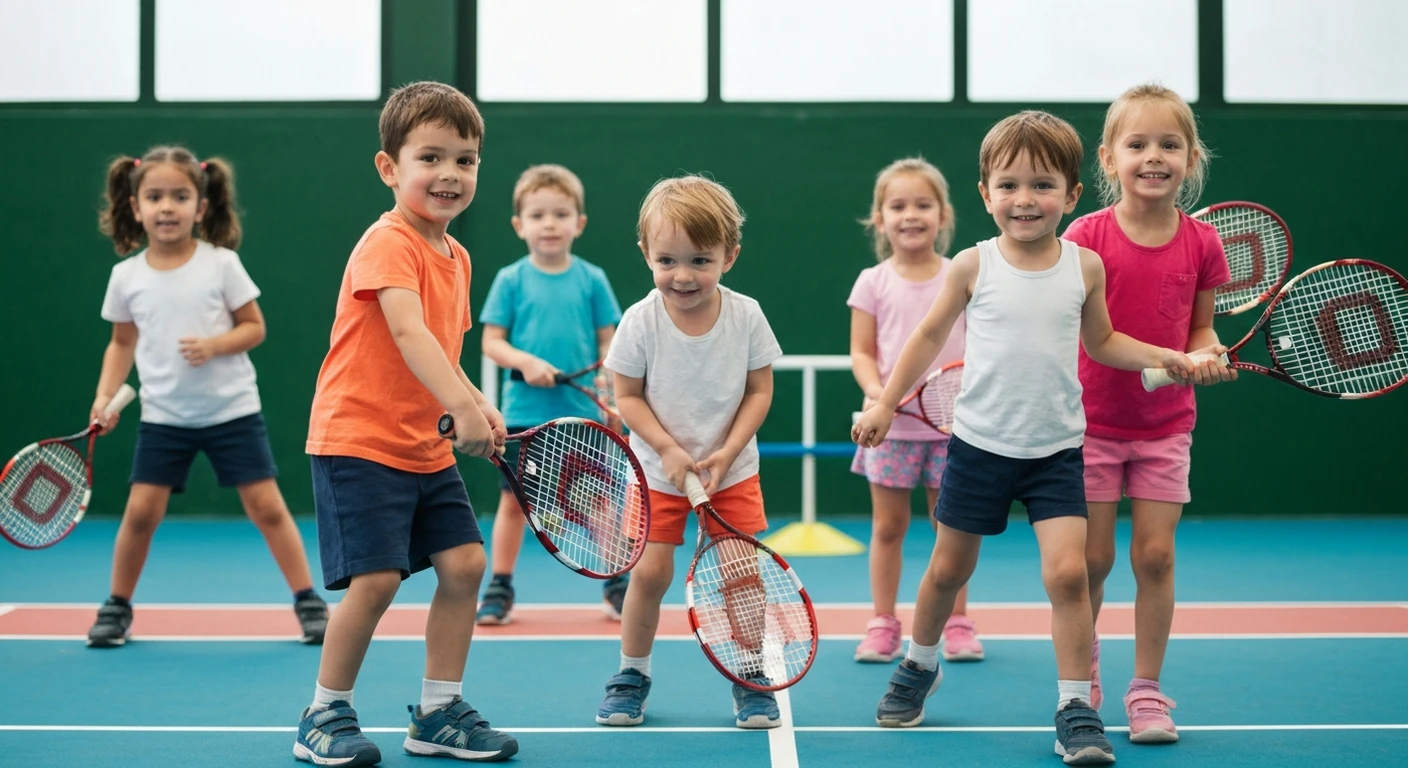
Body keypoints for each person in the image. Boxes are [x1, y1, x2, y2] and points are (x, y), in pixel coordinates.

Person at [852, 110, 1218, 765]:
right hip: (978, 449)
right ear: (985, 193)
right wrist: (884, 401)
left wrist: (1172, 357)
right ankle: (919, 661)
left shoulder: (1084, 267)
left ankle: (1075, 708)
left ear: (1072, 195)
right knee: (945, 571)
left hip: (1056, 455)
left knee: (1069, 577)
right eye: (1010, 185)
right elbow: (928, 337)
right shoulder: (970, 265)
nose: (1026, 200)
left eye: (1043, 185)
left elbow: (1102, 342)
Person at [294, 81, 517, 766]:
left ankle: (440, 711)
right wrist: (461, 406)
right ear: (390, 168)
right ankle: (324, 713)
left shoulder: (458, 255)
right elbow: (409, 332)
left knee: (465, 564)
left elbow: (445, 350)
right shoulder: (388, 242)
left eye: (466, 159)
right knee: (380, 579)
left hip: (425, 446)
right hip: (358, 440)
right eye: (431, 157)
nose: (450, 174)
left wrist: (476, 401)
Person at [88, 146, 327, 649]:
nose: (167, 207)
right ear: (135, 207)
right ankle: (116, 607)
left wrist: (215, 345)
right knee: (139, 514)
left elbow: (254, 328)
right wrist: (105, 397)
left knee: (267, 507)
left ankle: (308, 601)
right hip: (164, 418)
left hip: (232, 412)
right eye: (154, 197)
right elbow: (121, 343)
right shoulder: (126, 277)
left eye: (180, 196)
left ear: (201, 206)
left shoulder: (222, 265)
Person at [1063, 83, 1233, 745]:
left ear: (1192, 159)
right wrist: (1170, 353)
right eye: (1137, 145)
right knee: (1093, 561)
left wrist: (1206, 354)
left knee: (1155, 557)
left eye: (1169, 145)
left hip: (1165, 429)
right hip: (1091, 425)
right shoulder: (1085, 235)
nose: (1153, 157)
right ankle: (1086, 677)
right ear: (1109, 158)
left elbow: (1200, 331)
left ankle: (1147, 692)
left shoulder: (1203, 244)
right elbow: (1080, 331)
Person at [593, 175, 784, 730]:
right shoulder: (639, 320)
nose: (683, 275)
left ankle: (750, 673)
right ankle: (631, 674)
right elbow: (625, 396)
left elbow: (760, 391)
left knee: (742, 575)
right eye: (667, 260)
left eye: (701, 260)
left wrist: (726, 452)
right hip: (657, 475)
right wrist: (668, 451)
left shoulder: (746, 315)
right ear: (645, 255)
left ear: (730, 256)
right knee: (648, 576)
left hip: (732, 474)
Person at [476, 163, 626, 626]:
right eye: (538, 215)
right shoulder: (510, 280)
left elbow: (610, 341)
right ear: (520, 225)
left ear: (578, 224)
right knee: (513, 503)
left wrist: (611, 394)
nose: (549, 224)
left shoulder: (592, 279)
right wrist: (526, 362)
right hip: (524, 416)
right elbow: (492, 342)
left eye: (561, 214)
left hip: (584, 415)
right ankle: (499, 586)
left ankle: (616, 582)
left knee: (599, 500)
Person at [849, 157, 984, 664]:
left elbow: (980, 343)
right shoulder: (872, 281)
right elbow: (863, 351)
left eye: (923, 204)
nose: (911, 215)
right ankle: (882, 622)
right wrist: (877, 394)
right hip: (890, 430)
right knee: (888, 528)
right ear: (879, 218)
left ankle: (956, 621)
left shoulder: (963, 276)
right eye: (898, 205)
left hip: (957, 428)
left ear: (943, 214)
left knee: (952, 529)